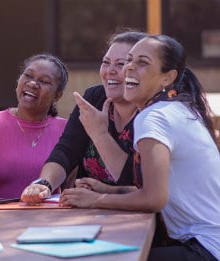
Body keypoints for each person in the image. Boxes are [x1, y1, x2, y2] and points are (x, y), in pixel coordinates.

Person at [59, 35, 220, 260]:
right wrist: (108, 190)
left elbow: (154, 198)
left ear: (168, 78)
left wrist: (96, 200)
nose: (129, 68)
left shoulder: (154, 117)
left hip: (206, 248)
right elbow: (159, 189)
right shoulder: (176, 109)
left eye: (142, 63)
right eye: (130, 61)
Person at [21, 31, 147, 203]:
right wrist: (44, 183)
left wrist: (99, 134)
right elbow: (66, 150)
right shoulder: (94, 97)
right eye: (105, 62)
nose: (109, 71)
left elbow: (141, 184)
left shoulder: (152, 112)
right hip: (89, 211)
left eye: (120, 64)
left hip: (140, 216)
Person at [0, 54, 68, 198]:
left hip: (48, 216)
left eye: (44, 81)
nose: (32, 84)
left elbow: (70, 188)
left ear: (57, 95)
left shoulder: (66, 130)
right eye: (28, 75)